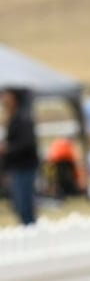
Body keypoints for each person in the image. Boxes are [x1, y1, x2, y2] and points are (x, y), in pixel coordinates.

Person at [2, 87, 40, 225]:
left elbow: (27, 143)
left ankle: (31, 229)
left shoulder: (23, 118)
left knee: (25, 205)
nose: (4, 100)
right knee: (19, 205)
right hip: (17, 167)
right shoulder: (13, 118)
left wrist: (8, 149)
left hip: (25, 167)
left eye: (7, 97)